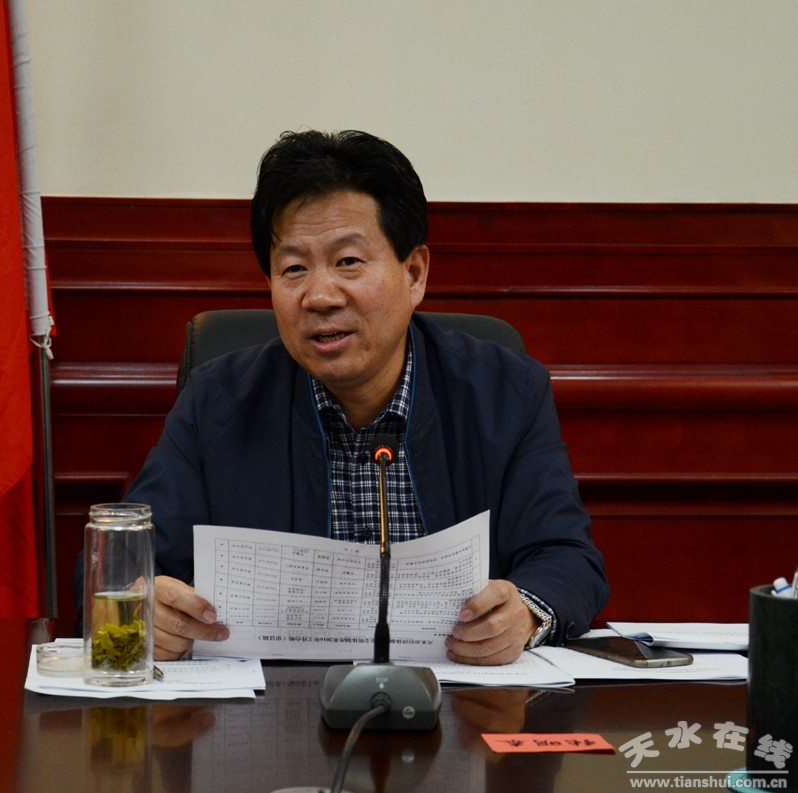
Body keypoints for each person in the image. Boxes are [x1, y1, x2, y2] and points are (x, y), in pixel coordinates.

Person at [76, 129, 609, 665]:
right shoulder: (218, 403)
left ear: (414, 273)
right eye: (294, 268)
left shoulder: (505, 393)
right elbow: (114, 563)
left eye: (348, 261)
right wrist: (143, 606)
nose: (320, 296)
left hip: (455, 703)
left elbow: (567, 559)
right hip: (273, 708)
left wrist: (526, 613)